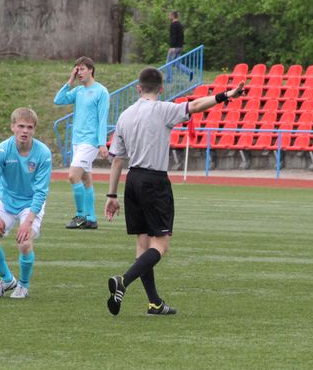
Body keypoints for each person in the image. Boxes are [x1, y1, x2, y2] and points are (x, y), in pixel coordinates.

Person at [104, 67, 244, 316]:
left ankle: (154, 303)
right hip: (154, 180)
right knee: (160, 245)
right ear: (161, 89)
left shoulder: (124, 116)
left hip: (132, 179)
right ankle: (123, 281)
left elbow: (117, 160)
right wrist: (225, 95)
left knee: (143, 242)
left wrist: (111, 196)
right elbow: (197, 105)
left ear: (138, 88)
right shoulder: (163, 109)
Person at [0, 107, 53, 299]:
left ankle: (23, 285)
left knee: (24, 242)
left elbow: (41, 191)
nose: (25, 131)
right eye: (21, 126)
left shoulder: (43, 153)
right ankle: (7, 280)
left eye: (29, 127)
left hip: (30, 204)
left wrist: (28, 221)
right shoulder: (2, 150)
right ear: (12, 127)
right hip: (5, 201)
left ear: (34, 130)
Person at [53, 56, 109, 230]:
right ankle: (91, 219)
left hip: (90, 142)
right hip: (77, 141)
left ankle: (80, 215)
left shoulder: (101, 91)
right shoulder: (77, 91)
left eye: (82, 69)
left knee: (73, 176)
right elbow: (58, 100)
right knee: (85, 179)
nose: (79, 73)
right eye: (76, 69)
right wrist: (69, 80)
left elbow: (102, 119)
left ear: (91, 69)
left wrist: (102, 143)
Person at [165, 11, 192, 81]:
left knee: (168, 63)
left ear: (173, 16)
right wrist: (181, 45)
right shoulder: (180, 25)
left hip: (175, 47)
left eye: (169, 15)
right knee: (177, 63)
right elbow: (182, 36)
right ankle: (189, 72)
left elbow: (173, 37)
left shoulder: (173, 25)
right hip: (180, 46)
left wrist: (172, 47)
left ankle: (169, 79)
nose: (169, 17)